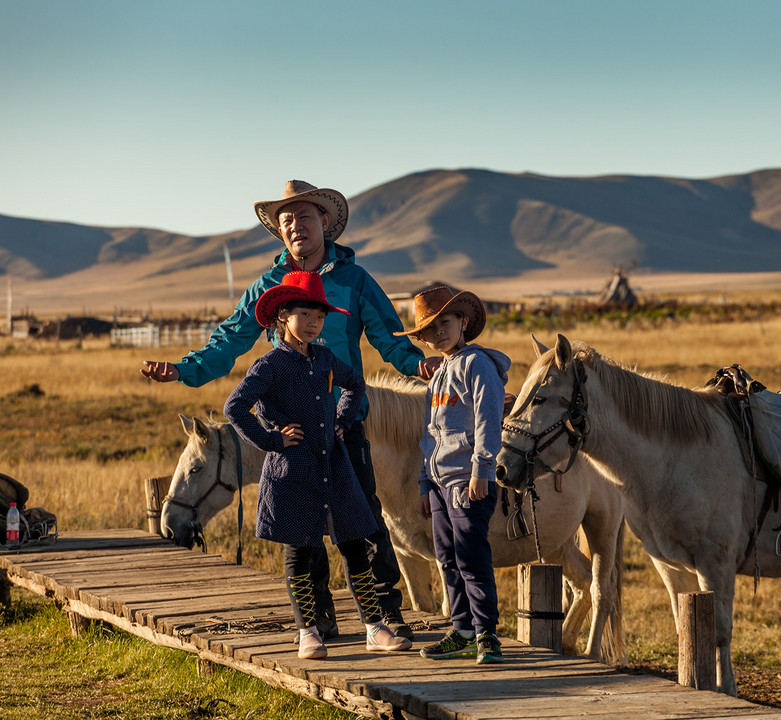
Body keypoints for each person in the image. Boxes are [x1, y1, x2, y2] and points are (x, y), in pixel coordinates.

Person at [142, 180, 440, 640]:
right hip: (292, 436)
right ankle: (317, 625)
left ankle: (384, 617)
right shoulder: (268, 288)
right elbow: (230, 342)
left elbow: (387, 336)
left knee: (363, 524)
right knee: (302, 534)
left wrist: (420, 364)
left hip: (344, 431)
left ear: (325, 221)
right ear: (279, 232)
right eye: (286, 221)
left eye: (303, 217)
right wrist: (183, 370)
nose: (295, 226)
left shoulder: (353, 281)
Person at [223, 270, 410, 658]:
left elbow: (355, 384)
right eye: (305, 315)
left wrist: (342, 420)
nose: (313, 323)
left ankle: (374, 629)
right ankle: (308, 631)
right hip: (293, 471)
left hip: (334, 466)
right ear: (283, 317)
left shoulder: (325, 357)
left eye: (319, 317)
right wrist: (272, 440)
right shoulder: (270, 365)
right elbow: (234, 407)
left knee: (355, 543)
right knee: (300, 550)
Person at [396, 286, 511, 664]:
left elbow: (488, 420)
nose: (438, 334)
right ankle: (461, 629)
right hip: (441, 482)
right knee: (447, 558)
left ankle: (486, 635)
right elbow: (431, 433)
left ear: (462, 321)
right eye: (429, 331)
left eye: (444, 323)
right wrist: (425, 483)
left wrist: (482, 469)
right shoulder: (440, 373)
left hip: (468, 479)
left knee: (471, 557)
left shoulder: (476, 365)